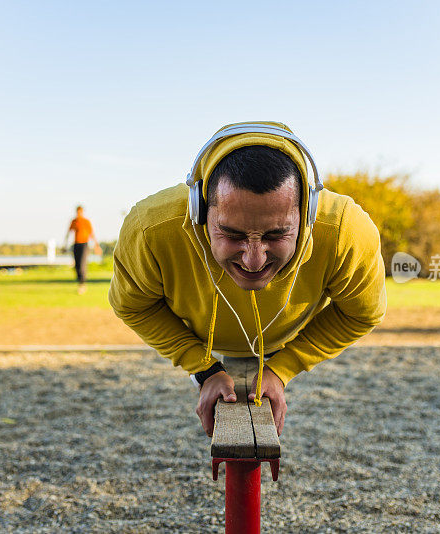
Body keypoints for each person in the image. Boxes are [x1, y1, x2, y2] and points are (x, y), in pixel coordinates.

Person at [109, 122, 386, 437]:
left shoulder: (346, 232)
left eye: (276, 234)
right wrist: (203, 368)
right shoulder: (150, 229)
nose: (254, 260)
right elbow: (133, 306)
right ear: (198, 210)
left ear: (308, 213)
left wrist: (283, 368)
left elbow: (362, 313)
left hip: (280, 343)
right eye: (231, 233)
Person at [65, 205, 102, 294]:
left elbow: (92, 234)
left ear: (82, 212)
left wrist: (97, 246)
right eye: (77, 212)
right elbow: (68, 233)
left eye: (80, 212)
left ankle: (82, 284)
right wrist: (64, 245)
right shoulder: (74, 221)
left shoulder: (86, 221)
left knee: (82, 264)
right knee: (77, 265)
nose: (79, 214)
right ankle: (80, 282)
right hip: (76, 244)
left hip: (84, 245)